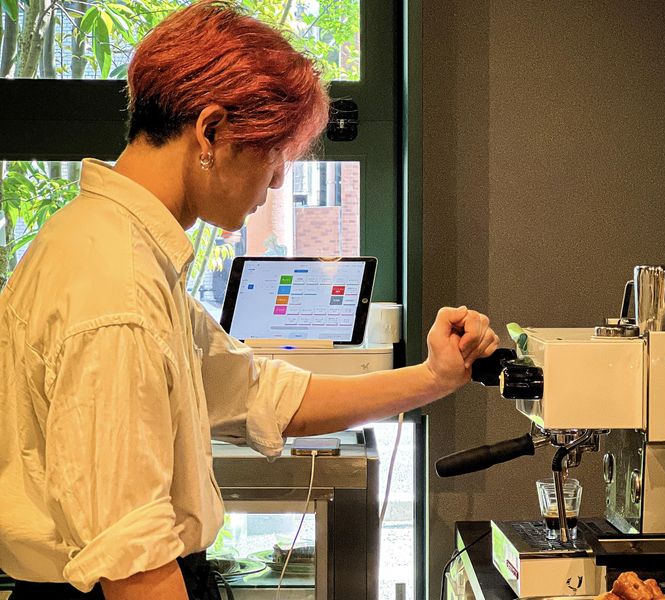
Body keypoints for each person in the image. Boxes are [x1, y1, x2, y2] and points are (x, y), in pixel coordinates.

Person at [0, 2, 499, 599]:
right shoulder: (117, 287)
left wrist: (433, 377)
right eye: (274, 152)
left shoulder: (121, 249)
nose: (280, 179)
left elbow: (261, 394)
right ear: (210, 131)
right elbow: (135, 567)